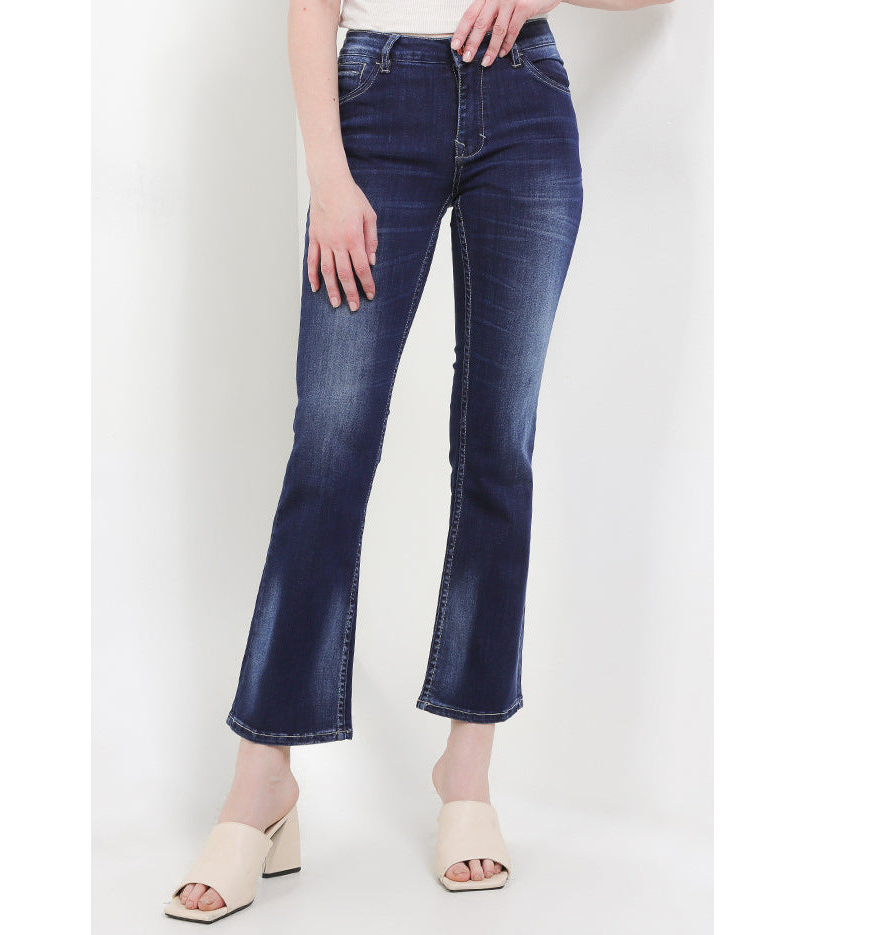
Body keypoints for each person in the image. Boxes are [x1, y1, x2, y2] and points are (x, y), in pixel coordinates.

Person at [165, 0, 673, 922]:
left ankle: (466, 772)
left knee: (498, 447)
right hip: (375, 102)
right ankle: (261, 780)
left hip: (524, 100)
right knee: (329, 445)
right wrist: (328, 178)